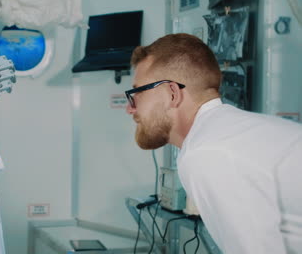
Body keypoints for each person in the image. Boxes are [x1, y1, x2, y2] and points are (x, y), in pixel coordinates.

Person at [125, 33, 302, 253]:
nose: (130, 108)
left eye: (136, 94)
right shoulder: (227, 133)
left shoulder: (207, 152)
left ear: (172, 93)